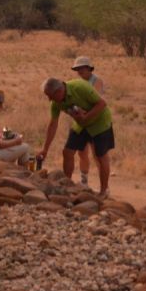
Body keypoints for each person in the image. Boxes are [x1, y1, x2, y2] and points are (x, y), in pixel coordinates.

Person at [39, 75, 114, 196]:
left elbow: (101, 104)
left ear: (59, 91)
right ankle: (66, 186)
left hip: (100, 123)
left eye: (50, 96)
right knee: (67, 152)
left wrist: (86, 117)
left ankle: (104, 191)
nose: (49, 99)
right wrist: (45, 149)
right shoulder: (56, 103)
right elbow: (53, 124)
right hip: (81, 125)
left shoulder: (80, 87)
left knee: (101, 156)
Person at [70, 55, 105, 185]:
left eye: (82, 68)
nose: (79, 71)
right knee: (82, 152)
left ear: (89, 68)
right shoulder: (78, 82)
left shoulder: (97, 81)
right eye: (77, 69)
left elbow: (95, 100)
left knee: (97, 154)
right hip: (82, 121)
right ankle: (84, 181)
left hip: (95, 121)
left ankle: (104, 185)